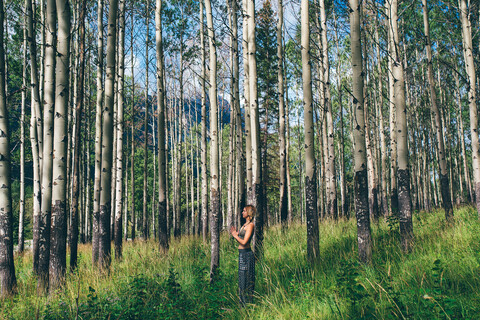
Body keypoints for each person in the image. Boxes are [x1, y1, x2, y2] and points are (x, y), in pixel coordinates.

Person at [230, 205, 256, 305]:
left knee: (247, 279)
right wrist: (236, 235)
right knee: (242, 279)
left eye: (244, 211)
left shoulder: (250, 225)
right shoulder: (245, 225)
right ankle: (242, 303)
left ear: (249, 213)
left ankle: (247, 303)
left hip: (246, 256)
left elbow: (245, 242)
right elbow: (241, 242)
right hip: (242, 255)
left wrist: (235, 236)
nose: (242, 212)